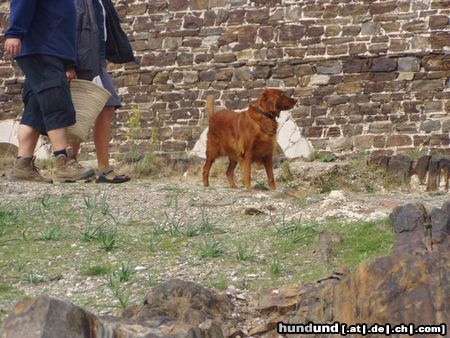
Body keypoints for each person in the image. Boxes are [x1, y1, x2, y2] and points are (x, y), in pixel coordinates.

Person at [4, 0, 95, 183]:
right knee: (56, 102)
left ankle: (23, 165)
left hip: (52, 50)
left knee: (35, 109)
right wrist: (15, 32)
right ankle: (63, 163)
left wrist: (68, 63)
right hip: (42, 48)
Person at [70, 0, 135, 183]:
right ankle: (70, 164)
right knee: (79, 111)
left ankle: (101, 168)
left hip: (97, 60)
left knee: (108, 106)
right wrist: (69, 63)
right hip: (83, 61)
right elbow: (69, 29)